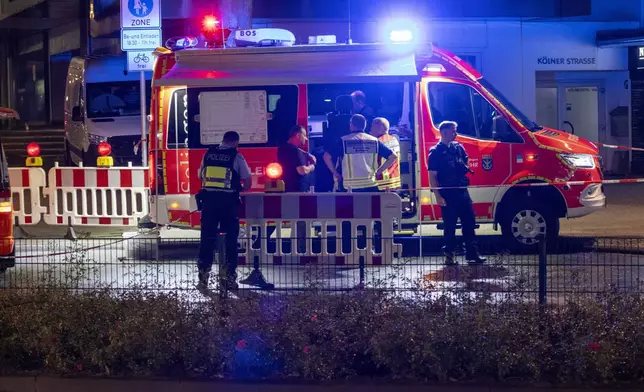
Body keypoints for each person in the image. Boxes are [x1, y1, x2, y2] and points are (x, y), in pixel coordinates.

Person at [196, 131, 251, 291]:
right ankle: (229, 279)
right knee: (230, 241)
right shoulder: (237, 157)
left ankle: (203, 278)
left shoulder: (208, 154)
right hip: (228, 204)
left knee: (207, 240)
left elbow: (201, 176)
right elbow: (247, 182)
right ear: (235, 142)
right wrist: (238, 187)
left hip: (209, 203)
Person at [428, 121, 486, 266]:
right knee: (450, 227)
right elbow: (432, 176)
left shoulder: (459, 148)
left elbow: (464, 164)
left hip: (462, 191)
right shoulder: (436, 152)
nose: (456, 134)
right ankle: (449, 255)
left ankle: (472, 254)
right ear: (444, 132)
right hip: (448, 193)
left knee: (470, 223)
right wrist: (438, 196)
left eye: (456, 131)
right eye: (453, 131)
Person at [323, 114, 398, 193]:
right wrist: (379, 171)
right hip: (370, 184)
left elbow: (326, 157)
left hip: (350, 186)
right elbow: (393, 156)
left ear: (351, 125)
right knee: (370, 205)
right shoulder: (374, 141)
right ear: (364, 126)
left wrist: (335, 173)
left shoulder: (343, 141)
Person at [277, 125, 316, 192]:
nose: (305, 139)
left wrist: (307, 155)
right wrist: (312, 166)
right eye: (304, 135)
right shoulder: (295, 151)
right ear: (298, 135)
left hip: (285, 188)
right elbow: (302, 171)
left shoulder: (281, 149)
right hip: (297, 191)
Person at [370, 117, 401, 191]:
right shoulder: (394, 139)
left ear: (379, 127)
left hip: (381, 182)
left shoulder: (378, 141)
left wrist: (378, 172)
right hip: (394, 181)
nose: (370, 129)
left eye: (372, 126)